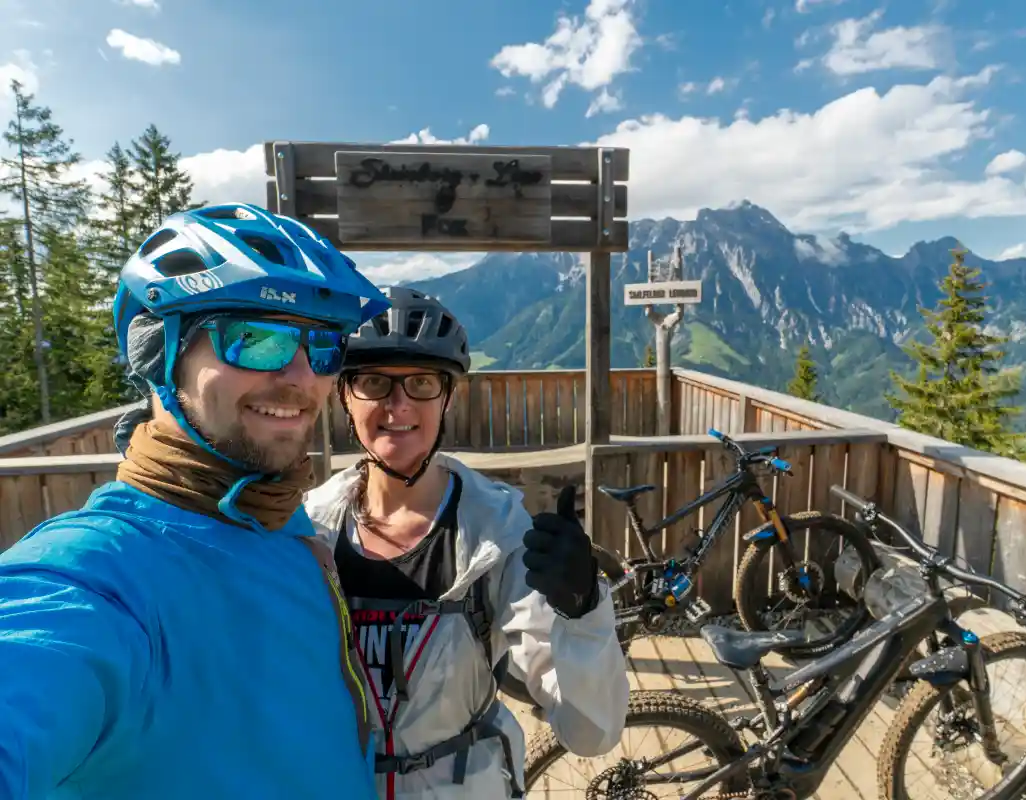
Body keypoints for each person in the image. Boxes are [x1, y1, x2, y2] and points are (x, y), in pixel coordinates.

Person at [0, 203, 392, 799]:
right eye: (255, 339)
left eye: (323, 347)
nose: (299, 376)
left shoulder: (273, 513)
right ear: (160, 352)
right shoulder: (95, 576)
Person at [303, 286, 629, 799]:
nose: (398, 404)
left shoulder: (496, 535)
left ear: (448, 396)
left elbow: (592, 732)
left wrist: (583, 612)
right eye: (373, 382)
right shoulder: (309, 531)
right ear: (343, 394)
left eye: (422, 382)